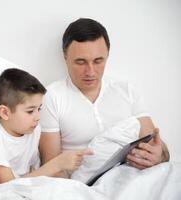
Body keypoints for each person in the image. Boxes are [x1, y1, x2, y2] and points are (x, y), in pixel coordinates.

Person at [39, 18, 170, 177]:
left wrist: (158, 155)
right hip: (82, 186)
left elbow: (158, 147)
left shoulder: (127, 91)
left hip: (130, 177)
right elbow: (51, 167)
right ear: (65, 57)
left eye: (98, 61)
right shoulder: (52, 97)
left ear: (107, 55)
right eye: (81, 62)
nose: (90, 72)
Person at [0, 68, 92, 184]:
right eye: (30, 111)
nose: (38, 117)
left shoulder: (33, 130)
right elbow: (7, 186)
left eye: (39, 108)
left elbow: (34, 173)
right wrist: (57, 164)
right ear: (5, 112)